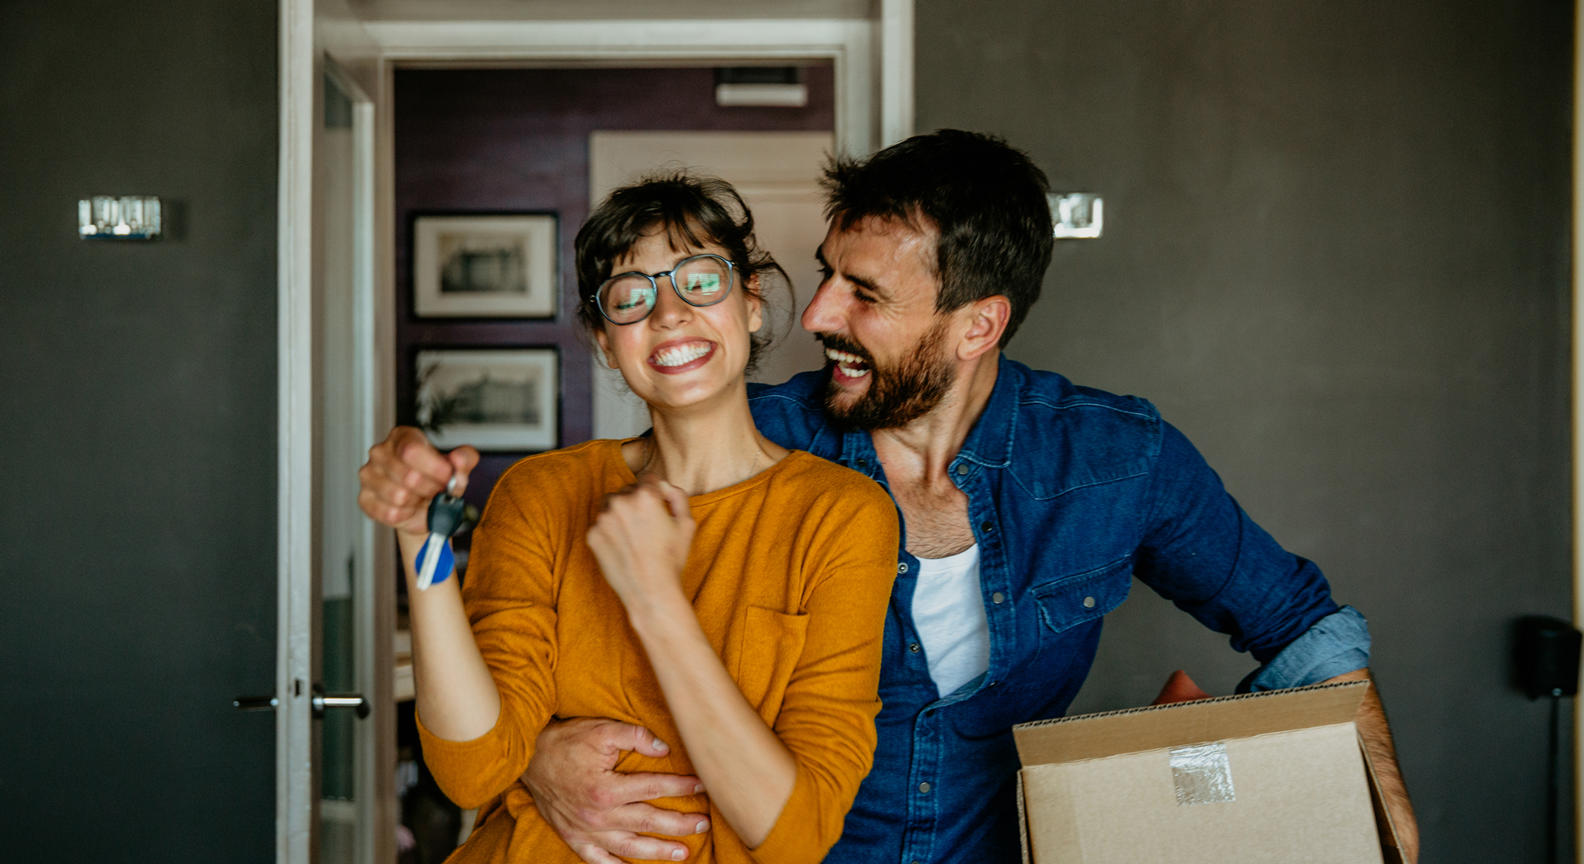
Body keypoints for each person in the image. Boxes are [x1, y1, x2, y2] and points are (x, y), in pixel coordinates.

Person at [364, 131, 1420, 864]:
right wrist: (534, 758)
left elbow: (1302, 624)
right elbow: (560, 600)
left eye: (863, 295)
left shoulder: (1113, 459)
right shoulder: (760, 437)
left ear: (977, 326)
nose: (818, 311)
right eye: (826, 274)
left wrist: (1381, 817)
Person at [360, 175, 900, 864]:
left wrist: (655, 601)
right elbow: (473, 770)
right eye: (630, 296)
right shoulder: (542, 493)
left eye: (700, 280)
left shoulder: (842, 517)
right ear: (605, 341)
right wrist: (419, 536)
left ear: (752, 302)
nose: (669, 313)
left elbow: (795, 833)